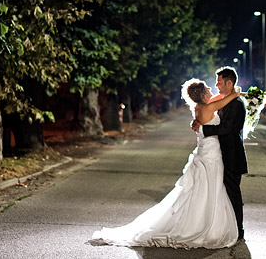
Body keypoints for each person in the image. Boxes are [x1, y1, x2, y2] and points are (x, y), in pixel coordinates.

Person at [90, 78, 241, 249]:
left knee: (202, 190)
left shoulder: (199, 107)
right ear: (203, 94)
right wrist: (239, 93)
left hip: (206, 152)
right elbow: (227, 99)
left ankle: (201, 221)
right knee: (209, 188)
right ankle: (203, 225)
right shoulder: (207, 107)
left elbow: (217, 100)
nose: (211, 90)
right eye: (208, 89)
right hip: (210, 155)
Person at [191, 66, 247, 240]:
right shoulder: (225, 100)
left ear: (229, 83)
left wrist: (202, 128)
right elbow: (209, 111)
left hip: (232, 156)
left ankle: (238, 230)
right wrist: (199, 120)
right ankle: (224, 227)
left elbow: (227, 128)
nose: (215, 85)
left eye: (219, 82)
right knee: (221, 193)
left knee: (232, 193)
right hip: (218, 154)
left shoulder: (236, 104)